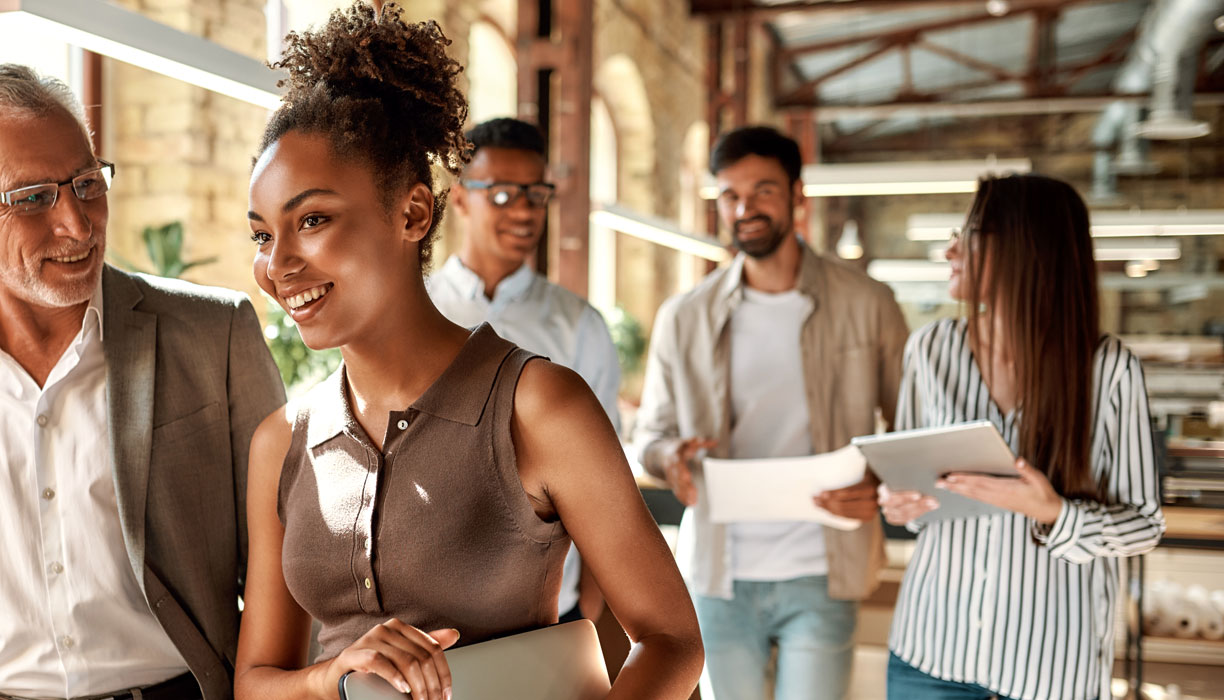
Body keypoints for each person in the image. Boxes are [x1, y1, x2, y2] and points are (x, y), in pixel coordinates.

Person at [233, 5, 703, 700]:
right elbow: (255, 683)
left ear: (413, 214)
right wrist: (331, 675)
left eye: (313, 220)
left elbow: (672, 641)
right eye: (262, 235)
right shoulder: (282, 442)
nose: (278, 264)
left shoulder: (538, 406)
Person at [0, 64, 285, 700]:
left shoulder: (214, 336)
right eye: (31, 198)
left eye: (86, 184)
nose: (78, 226)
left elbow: (286, 558)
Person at [633, 125, 907, 700]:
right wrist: (670, 457)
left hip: (824, 568)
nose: (744, 209)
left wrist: (879, 485)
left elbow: (910, 431)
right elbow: (651, 436)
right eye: (730, 195)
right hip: (718, 575)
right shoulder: (685, 316)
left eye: (762, 191)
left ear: (797, 196)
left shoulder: (868, 302)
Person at [878, 174, 1164, 700]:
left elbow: (1144, 525)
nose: (950, 251)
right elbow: (916, 497)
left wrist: (1056, 514)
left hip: (1051, 670)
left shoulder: (1109, 371)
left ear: (1028, 250)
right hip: (930, 651)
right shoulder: (930, 350)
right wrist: (902, 503)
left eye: (970, 235)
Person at [427, 116, 623, 624]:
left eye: (535, 195)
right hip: (430, 603)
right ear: (460, 198)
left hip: (552, 603)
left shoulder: (579, 325)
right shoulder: (416, 308)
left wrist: (592, 607)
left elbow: (607, 478)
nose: (523, 211)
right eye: (501, 194)